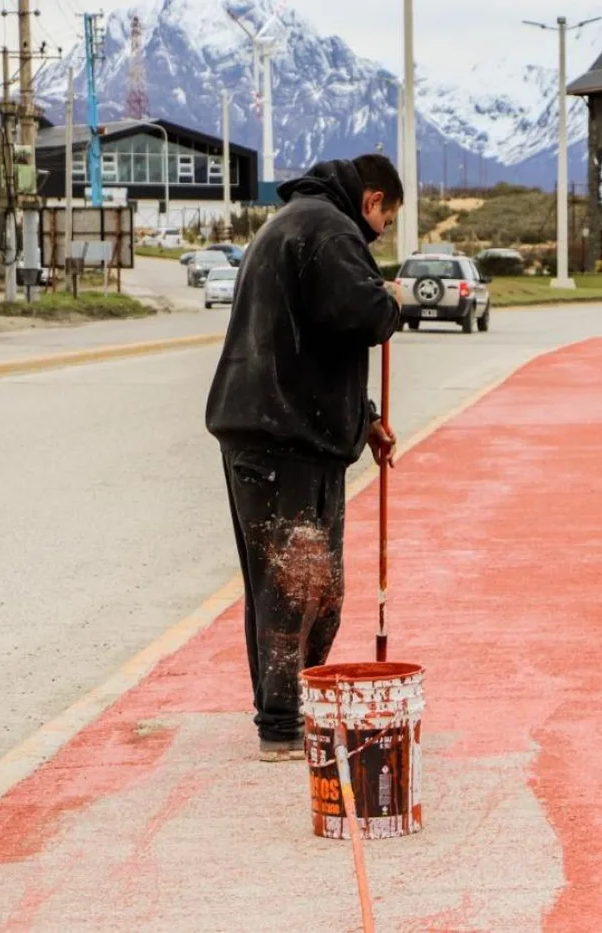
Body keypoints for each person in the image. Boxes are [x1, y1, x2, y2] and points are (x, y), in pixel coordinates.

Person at [205, 155, 403, 761]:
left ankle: (291, 711)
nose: (382, 232)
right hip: (282, 438)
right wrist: (391, 298)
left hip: (285, 431)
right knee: (296, 586)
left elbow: (315, 337)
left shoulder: (296, 223)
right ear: (371, 201)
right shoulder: (330, 229)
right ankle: (283, 725)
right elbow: (361, 315)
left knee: (298, 585)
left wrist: (363, 417)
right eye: (387, 221)